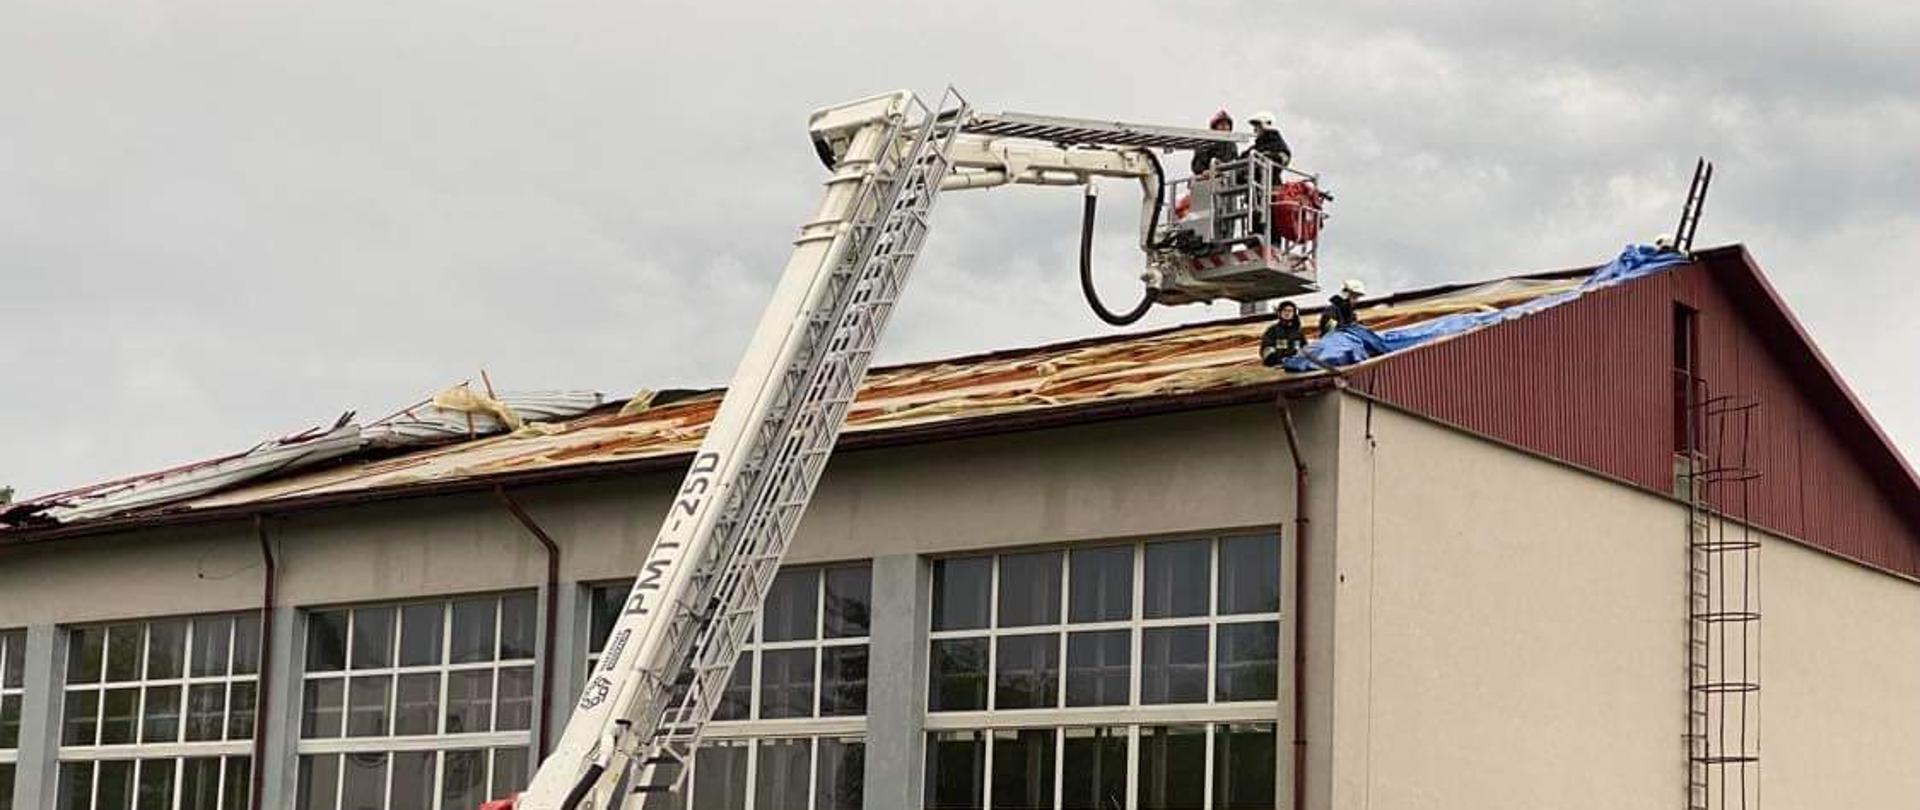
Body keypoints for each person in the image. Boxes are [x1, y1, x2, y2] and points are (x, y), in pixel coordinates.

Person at [1190, 110, 1239, 176]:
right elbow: (1198, 164)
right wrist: (1203, 171)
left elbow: (1236, 160)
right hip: (1209, 178)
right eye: (1221, 124)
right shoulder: (1206, 142)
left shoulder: (1232, 145)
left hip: (1228, 177)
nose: (1224, 127)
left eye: (1227, 124)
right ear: (1215, 127)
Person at [1260, 301, 1308, 366]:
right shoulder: (1272, 331)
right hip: (1276, 367)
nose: (1287, 313)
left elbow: (1305, 349)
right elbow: (1266, 350)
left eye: (1290, 311)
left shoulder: (1298, 332)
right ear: (1280, 313)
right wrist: (1278, 361)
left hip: (1295, 366)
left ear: (1294, 314)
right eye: (1285, 310)